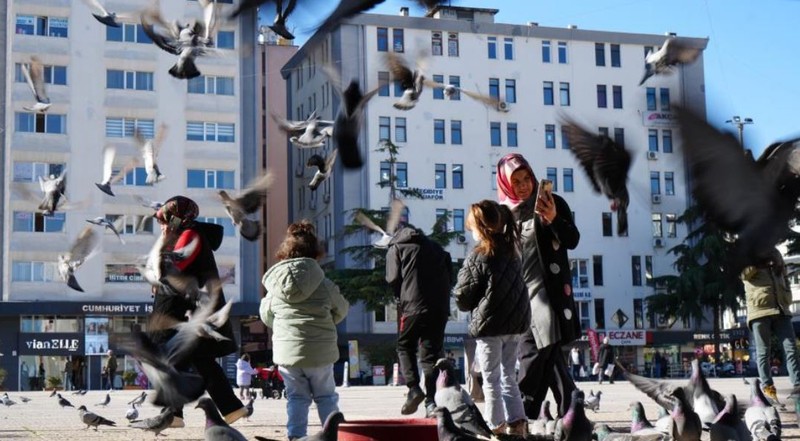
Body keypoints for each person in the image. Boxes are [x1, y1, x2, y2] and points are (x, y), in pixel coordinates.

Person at [496, 153, 581, 418]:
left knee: (536, 351)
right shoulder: (503, 216)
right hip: (519, 296)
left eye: (526, 179)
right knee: (550, 354)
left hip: (547, 294)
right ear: (505, 184)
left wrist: (554, 218)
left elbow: (572, 240)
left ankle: (522, 410)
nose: (523, 185)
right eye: (516, 181)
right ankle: (569, 410)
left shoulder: (552, 203)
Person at [149, 196, 246, 427]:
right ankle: (230, 408)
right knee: (197, 360)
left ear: (176, 219)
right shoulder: (186, 235)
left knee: (180, 359)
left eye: (164, 220)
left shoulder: (189, 235)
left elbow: (172, 271)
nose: (162, 226)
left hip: (187, 313)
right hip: (190, 312)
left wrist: (163, 246)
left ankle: (174, 414)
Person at [260, 220, 349, 441]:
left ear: (285, 252)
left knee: (296, 398)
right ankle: (332, 436)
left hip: (288, 355)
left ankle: (296, 437)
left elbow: (266, 316)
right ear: (315, 253)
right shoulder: (325, 284)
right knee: (326, 396)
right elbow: (342, 310)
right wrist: (327, 321)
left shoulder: (274, 288)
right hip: (320, 351)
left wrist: (285, 329)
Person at [454, 200, 531, 436]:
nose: (471, 232)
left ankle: (495, 427)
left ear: (481, 227)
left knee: (491, 379)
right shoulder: (512, 252)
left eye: (472, 227)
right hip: (515, 325)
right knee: (509, 375)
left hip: (490, 328)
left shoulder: (479, 256)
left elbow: (463, 297)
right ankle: (517, 424)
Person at [386, 225, 452, 417]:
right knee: (430, 356)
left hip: (413, 306)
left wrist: (401, 296)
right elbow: (450, 276)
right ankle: (431, 403)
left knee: (405, 346)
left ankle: (414, 388)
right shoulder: (438, 249)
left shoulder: (396, 248)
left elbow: (392, 278)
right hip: (440, 308)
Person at [741, 247, 800, 401]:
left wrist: (787, 292)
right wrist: (760, 260)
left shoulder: (774, 251)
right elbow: (744, 274)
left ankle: (798, 383)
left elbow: (784, 274)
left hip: (782, 309)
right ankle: (768, 386)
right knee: (763, 352)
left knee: (791, 348)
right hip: (760, 311)